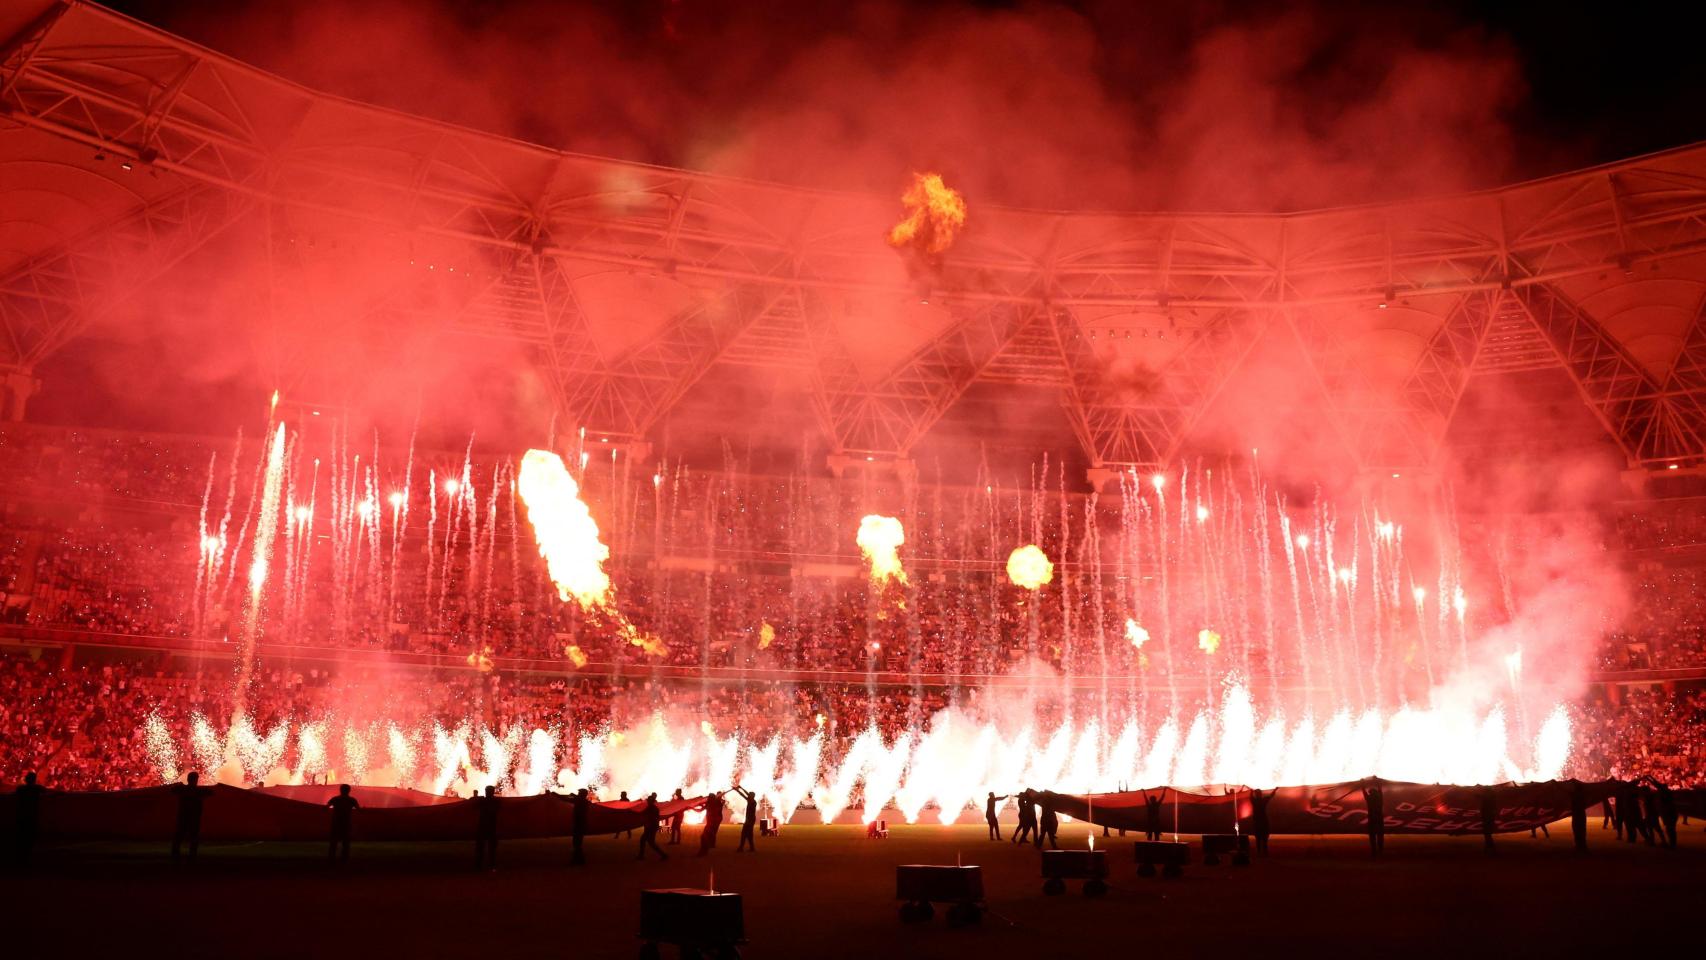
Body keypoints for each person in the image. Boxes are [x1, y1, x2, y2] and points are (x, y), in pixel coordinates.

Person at [171, 772, 213, 863]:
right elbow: (211, 792)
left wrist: (179, 785)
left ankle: (175, 855)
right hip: (193, 818)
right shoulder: (198, 791)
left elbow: (172, 790)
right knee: (192, 837)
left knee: (180, 836)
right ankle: (191, 856)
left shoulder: (182, 789)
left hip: (183, 817)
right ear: (195, 780)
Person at [13, 771, 44, 867]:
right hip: (32, 815)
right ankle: (27, 857)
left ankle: (21, 858)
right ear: (34, 780)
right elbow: (49, 791)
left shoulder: (20, 789)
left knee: (22, 836)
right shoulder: (37, 789)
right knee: (30, 837)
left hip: (21, 815)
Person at [326, 784, 359, 864]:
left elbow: (326, 807)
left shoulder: (335, 799)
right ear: (349, 790)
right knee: (346, 842)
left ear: (340, 790)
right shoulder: (352, 800)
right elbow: (358, 809)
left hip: (336, 823)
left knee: (334, 842)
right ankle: (344, 859)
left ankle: (331, 858)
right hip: (346, 823)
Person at [474, 785, 499, 870]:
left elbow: (473, 803)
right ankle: (489, 865)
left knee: (485, 848)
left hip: (485, 827)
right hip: (489, 827)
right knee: (487, 848)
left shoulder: (483, 801)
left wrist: (475, 796)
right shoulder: (495, 801)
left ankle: (481, 865)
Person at [637, 793, 668, 861]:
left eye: (649, 800)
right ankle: (663, 855)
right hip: (652, 826)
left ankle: (663, 855)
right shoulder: (652, 807)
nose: (648, 801)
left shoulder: (651, 808)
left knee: (648, 842)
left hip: (651, 827)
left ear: (651, 801)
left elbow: (651, 817)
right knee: (648, 841)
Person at [1360, 780, 1385, 856]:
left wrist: (1362, 783)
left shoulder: (1369, 799)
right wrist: (1377, 781)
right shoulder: (1380, 799)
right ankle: (1380, 851)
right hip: (1379, 819)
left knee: (1373, 836)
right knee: (1379, 836)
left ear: (1370, 793)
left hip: (1372, 820)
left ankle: (1374, 851)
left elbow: (1364, 792)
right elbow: (1380, 789)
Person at [698, 790, 725, 856]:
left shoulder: (716, 803)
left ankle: (707, 848)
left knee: (707, 835)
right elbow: (702, 809)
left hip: (713, 822)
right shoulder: (713, 803)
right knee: (707, 835)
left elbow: (705, 809)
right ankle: (707, 848)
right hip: (711, 822)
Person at [568, 788, 589, 866]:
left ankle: (578, 860)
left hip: (578, 824)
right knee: (577, 844)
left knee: (576, 844)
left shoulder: (580, 801)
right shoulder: (585, 801)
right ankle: (579, 860)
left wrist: (555, 794)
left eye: (579, 793)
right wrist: (575, 796)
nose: (578, 794)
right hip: (581, 824)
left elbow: (566, 799)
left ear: (582, 794)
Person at [1249, 787, 1273, 856]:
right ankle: (1265, 851)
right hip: (1263, 820)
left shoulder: (1254, 801)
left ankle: (1259, 852)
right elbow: (1271, 796)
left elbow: (1250, 797)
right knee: (1264, 837)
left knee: (1258, 838)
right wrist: (1275, 790)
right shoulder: (1263, 800)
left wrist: (1251, 792)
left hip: (1257, 820)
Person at [734, 787, 758, 853]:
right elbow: (746, 794)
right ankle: (751, 848)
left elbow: (744, 795)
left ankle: (741, 847)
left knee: (744, 834)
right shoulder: (752, 800)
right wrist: (740, 788)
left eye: (749, 795)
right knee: (749, 834)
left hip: (749, 820)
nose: (748, 795)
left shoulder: (752, 801)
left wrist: (738, 789)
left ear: (751, 796)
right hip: (750, 820)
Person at [1570, 781, 1588, 853]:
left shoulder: (1574, 795)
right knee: (1582, 831)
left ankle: (1579, 846)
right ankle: (1582, 846)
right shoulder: (1582, 796)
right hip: (1581, 816)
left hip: (1576, 816)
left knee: (1577, 831)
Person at [1479, 785, 1497, 854]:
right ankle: (1488, 847)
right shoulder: (1491, 797)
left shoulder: (1488, 797)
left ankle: (1490, 848)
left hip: (1487, 817)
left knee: (1487, 833)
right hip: (1489, 817)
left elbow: (1482, 797)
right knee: (1487, 834)